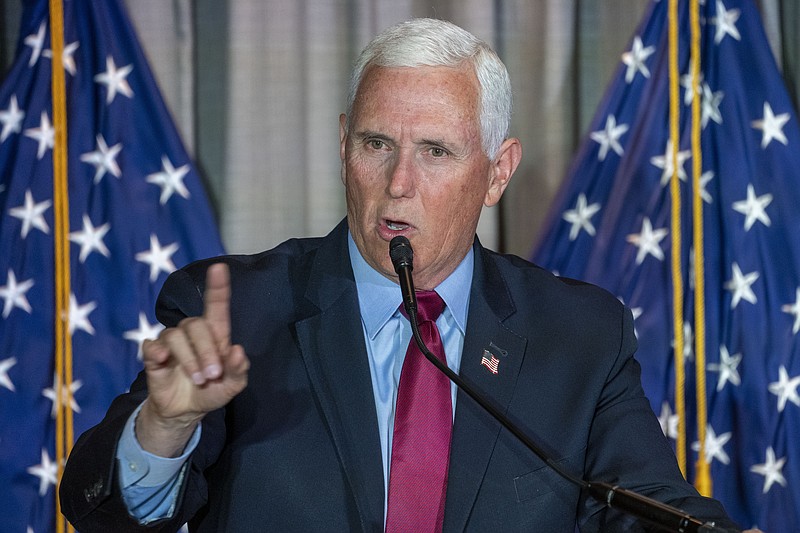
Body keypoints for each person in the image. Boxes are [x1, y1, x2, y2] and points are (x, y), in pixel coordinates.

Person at [60, 18, 744, 532]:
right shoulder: (236, 312)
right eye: (376, 143)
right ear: (343, 144)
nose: (399, 183)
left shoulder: (578, 336)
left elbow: (649, 508)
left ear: (498, 172)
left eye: (436, 151)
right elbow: (102, 513)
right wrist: (163, 428)